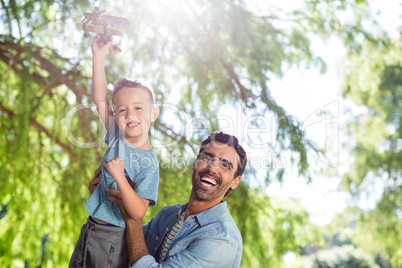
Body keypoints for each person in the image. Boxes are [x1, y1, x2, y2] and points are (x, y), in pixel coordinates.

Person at [90, 131, 247, 267]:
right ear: (194, 164)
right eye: (207, 158)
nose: (212, 168)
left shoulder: (222, 240)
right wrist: (105, 198)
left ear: (235, 181)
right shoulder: (168, 215)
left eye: (225, 165)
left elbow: (133, 228)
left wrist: (134, 219)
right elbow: (123, 247)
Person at [69, 35, 160, 267]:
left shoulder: (149, 163)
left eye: (138, 108)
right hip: (90, 227)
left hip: (112, 239)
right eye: (122, 109)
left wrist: (119, 176)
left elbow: (139, 211)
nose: (130, 114)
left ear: (153, 114)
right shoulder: (116, 135)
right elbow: (100, 97)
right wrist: (98, 57)